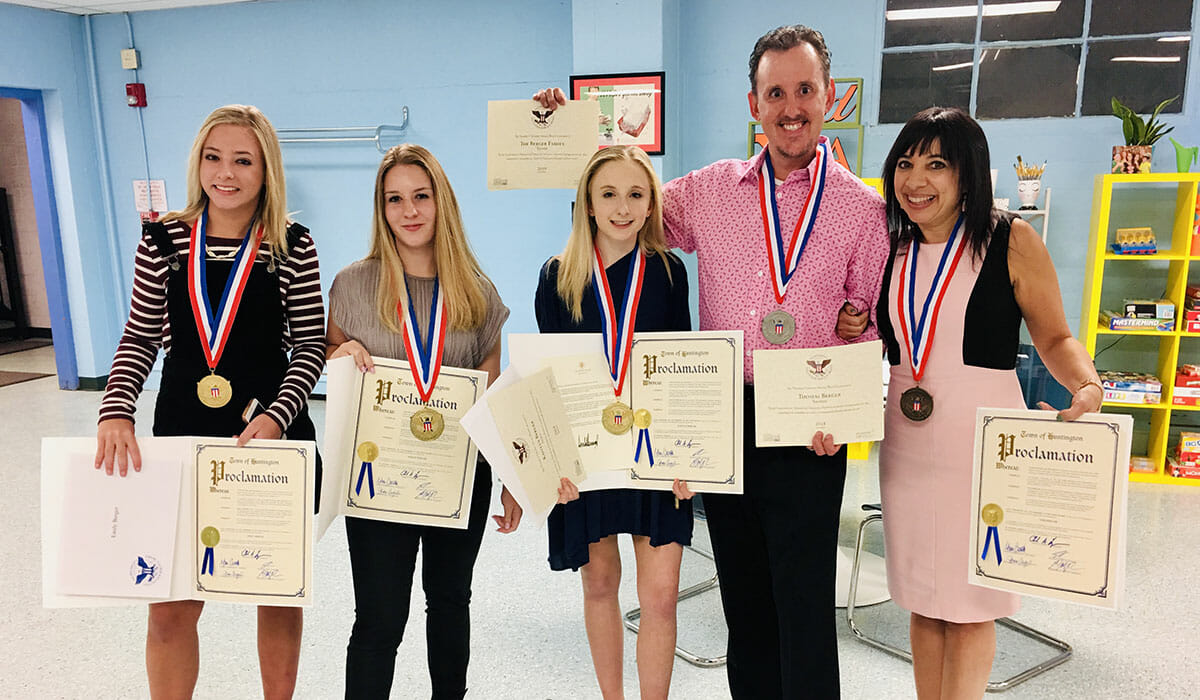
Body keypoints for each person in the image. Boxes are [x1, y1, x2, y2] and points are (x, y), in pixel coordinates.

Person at [537, 25, 887, 699]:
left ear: (831, 97)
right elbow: (619, 203)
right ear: (752, 104)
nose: (791, 105)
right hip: (721, 417)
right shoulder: (709, 191)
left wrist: (844, 399)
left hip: (808, 426)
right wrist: (566, 141)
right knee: (745, 601)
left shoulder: (862, 210)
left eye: (805, 90)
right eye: (774, 91)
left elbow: (868, 323)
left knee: (805, 605)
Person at [838, 106, 1102, 699]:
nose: (915, 180)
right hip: (907, 446)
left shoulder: (1011, 239)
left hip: (985, 443)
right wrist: (855, 321)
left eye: (937, 164)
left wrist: (1084, 384)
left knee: (971, 604)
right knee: (923, 598)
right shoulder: (891, 246)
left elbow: (1054, 337)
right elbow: (885, 332)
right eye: (905, 164)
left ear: (969, 173)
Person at [94, 104, 325, 699]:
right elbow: (140, 334)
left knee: (273, 592)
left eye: (244, 160)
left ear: (266, 169)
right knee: (170, 605)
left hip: (270, 437)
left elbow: (308, 347)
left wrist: (280, 414)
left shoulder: (291, 245)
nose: (227, 173)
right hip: (183, 437)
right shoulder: (164, 238)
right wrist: (117, 407)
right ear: (198, 162)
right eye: (213, 157)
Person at [325, 143, 522, 700]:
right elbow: (328, 353)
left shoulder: (478, 294)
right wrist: (339, 354)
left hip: (456, 478)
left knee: (449, 604)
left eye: (421, 196)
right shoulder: (352, 285)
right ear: (381, 209)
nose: (409, 211)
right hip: (377, 478)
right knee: (380, 619)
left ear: (442, 202)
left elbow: (490, 396)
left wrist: (512, 475)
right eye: (395, 199)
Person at [533, 145, 695, 700]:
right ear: (588, 204)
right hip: (588, 458)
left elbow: (680, 371)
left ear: (651, 206)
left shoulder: (669, 273)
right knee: (600, 585)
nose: (622, 208)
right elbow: (545, 382)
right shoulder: (557, 277)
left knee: (661, 596)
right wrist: (552, 461)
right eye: (608, 194)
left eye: (635, 194)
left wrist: (688, 455)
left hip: (653, 452)